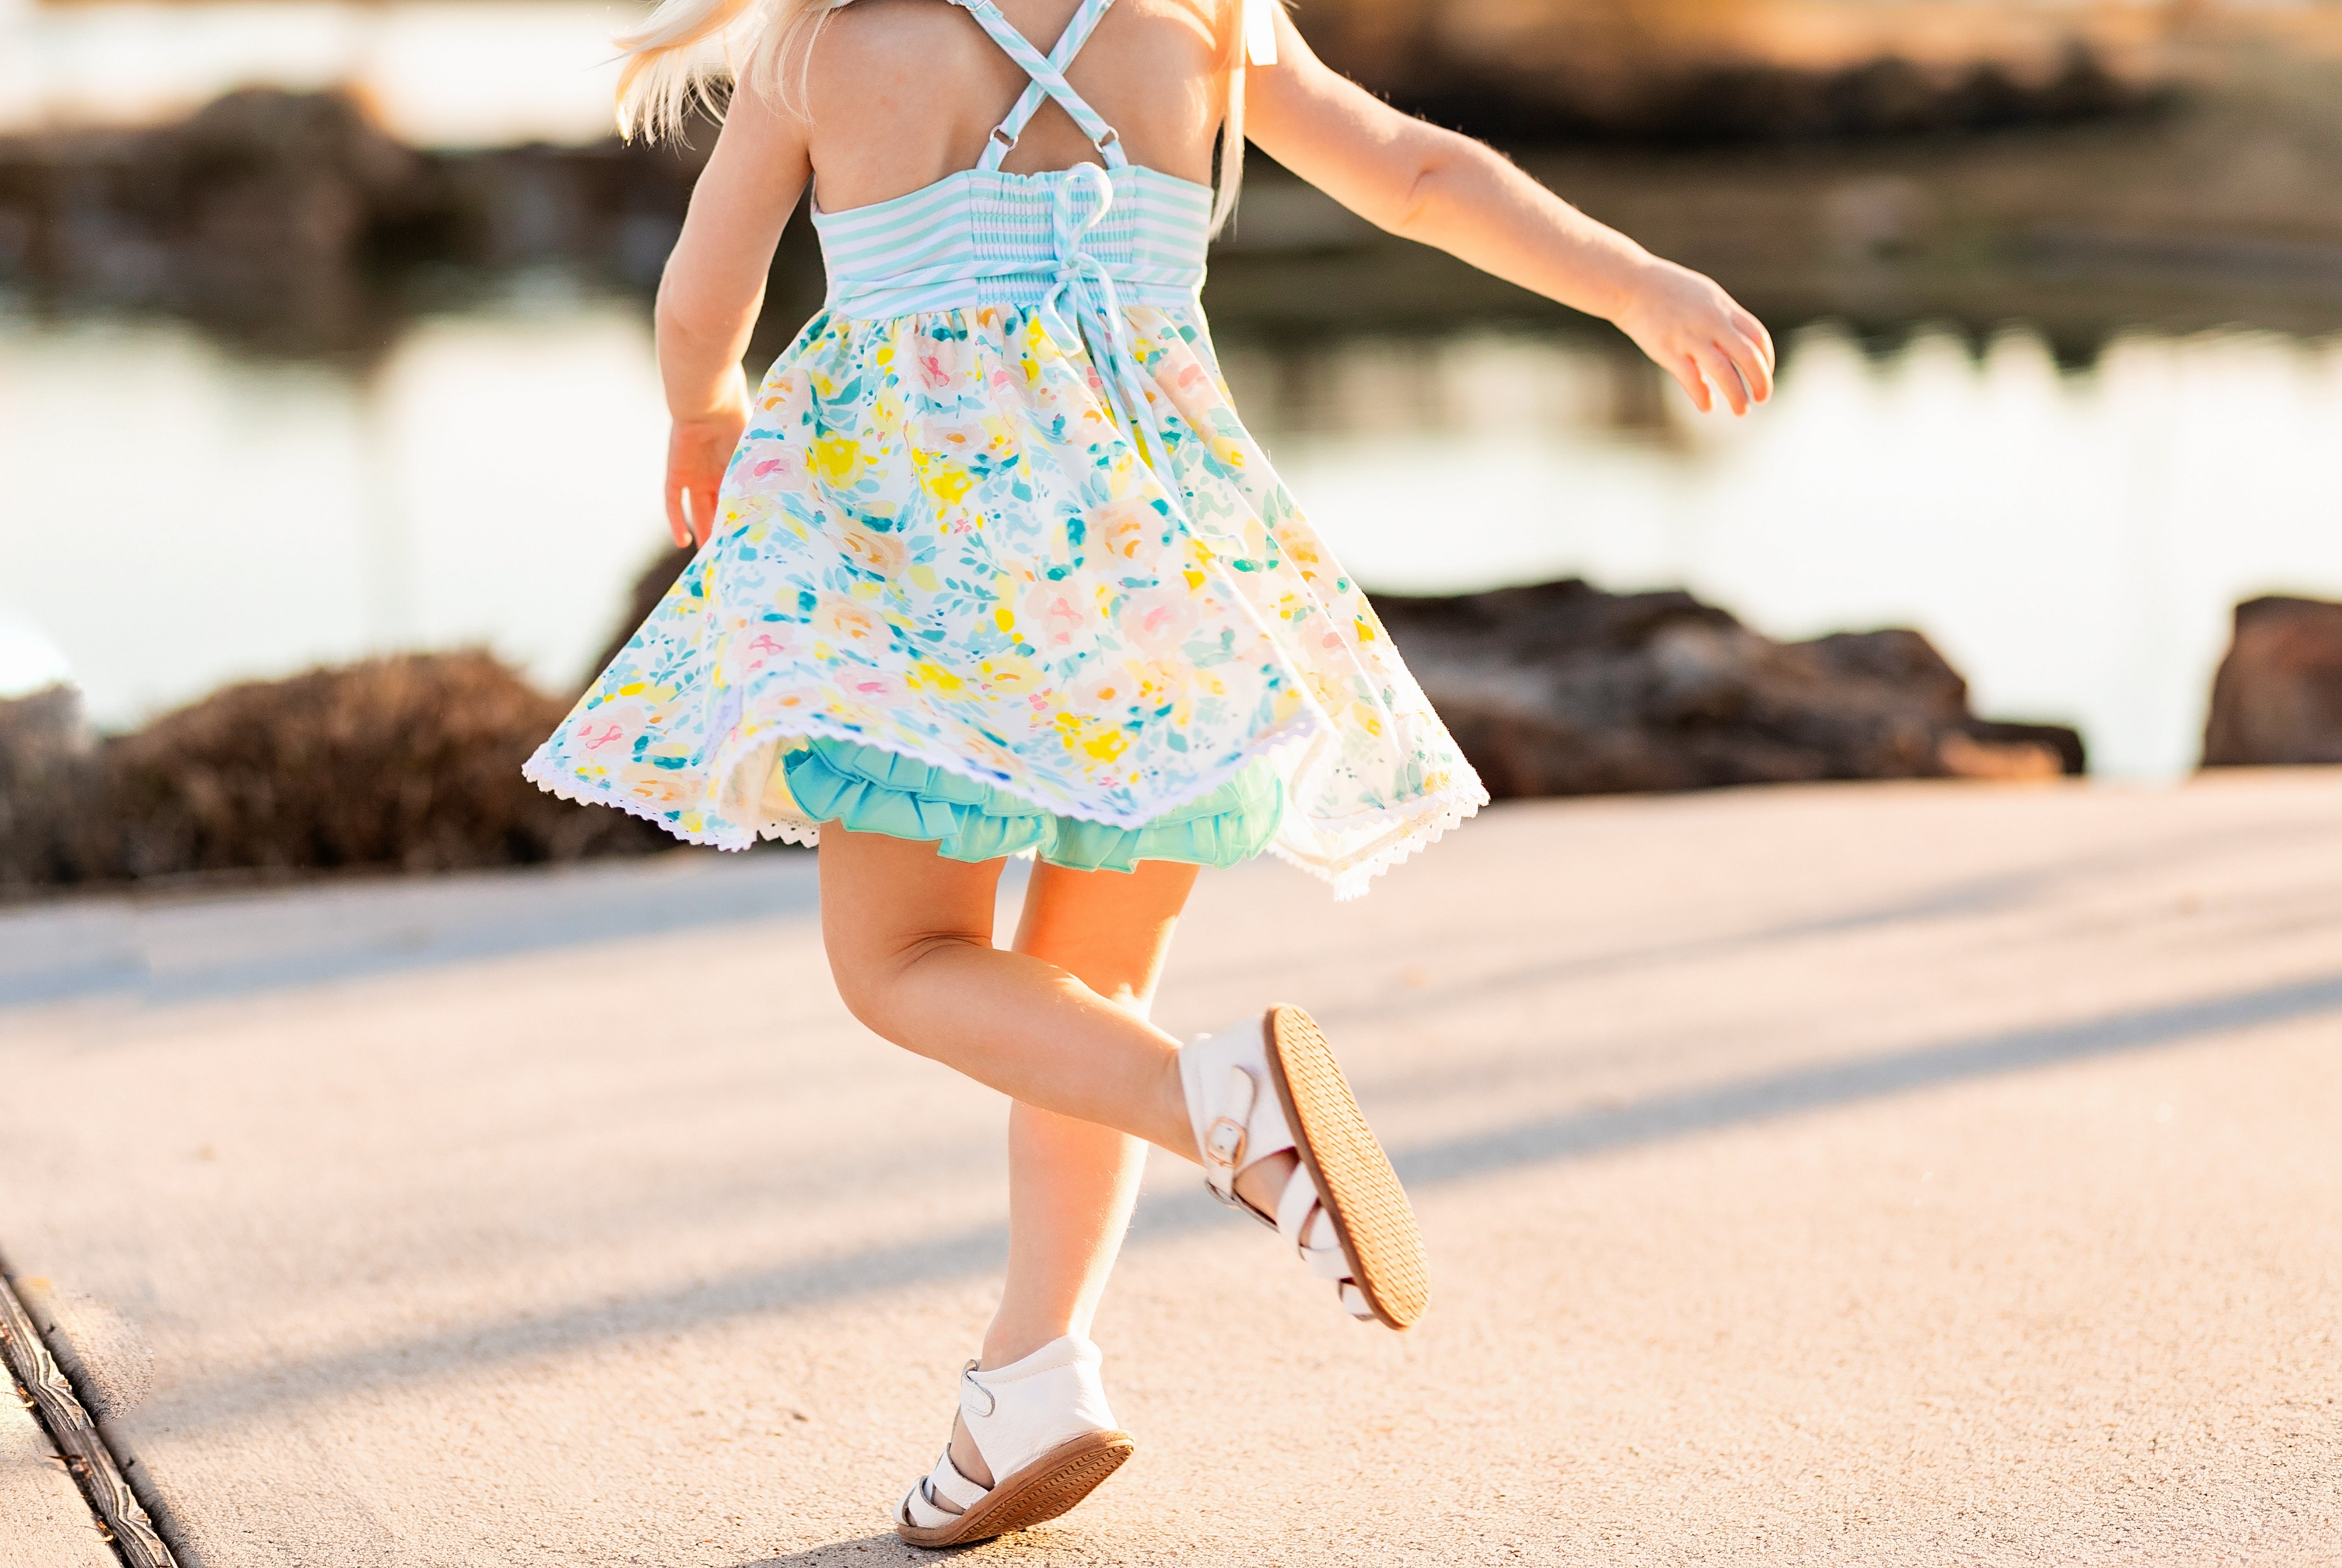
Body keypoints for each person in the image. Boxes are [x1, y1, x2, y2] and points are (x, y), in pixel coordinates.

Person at [526, 0, 1772, 1545]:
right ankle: (1032, 1384)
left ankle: (1217, 1106)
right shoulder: (1204, 20)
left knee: (907, 963)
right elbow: (1419, 174)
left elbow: (703, 291)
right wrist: (1637, 285)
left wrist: (704, 411)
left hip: (926, 577)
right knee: (1082, 1000)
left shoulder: (824, 50)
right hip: (1153, 573)